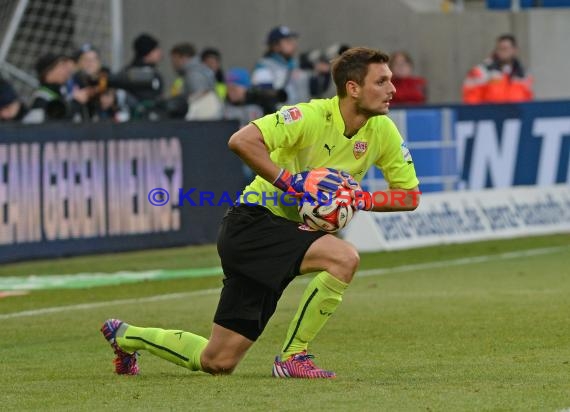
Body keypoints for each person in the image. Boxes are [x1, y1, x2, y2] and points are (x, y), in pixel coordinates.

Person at [101, 47, 420, 379]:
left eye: (391, 81)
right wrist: (291, 184)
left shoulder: (382, 131)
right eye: (381, 81)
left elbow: (409, 196)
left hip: (290, 233)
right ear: (353, 88)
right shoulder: (310, 116)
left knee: (218, 360)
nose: (392, 89)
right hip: (253, 223)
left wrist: (361, 198)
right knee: (343, 258)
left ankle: (126, 336)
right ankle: (293, 357)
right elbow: (242, 140)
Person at [462, 34, 533, 104]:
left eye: (505, 49)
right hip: (489, 114)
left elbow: (527, 99)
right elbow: (471, 99)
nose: (502, 52)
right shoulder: (481, 71)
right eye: (499, 48)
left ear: (514, 50)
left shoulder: (523, 73)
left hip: (515, 114)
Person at [23, 53, 91, 123]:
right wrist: (76, 102)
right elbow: (56, 125)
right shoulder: (41, 99)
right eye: (62, 66)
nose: (67, 70)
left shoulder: (62, 92)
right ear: (48, 72)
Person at [169, 42, 222, 120]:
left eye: (175, 59)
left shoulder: (194, 74)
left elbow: (200, 96)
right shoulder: (200, 69)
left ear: (183, 58)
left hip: (203, 119)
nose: (173, 63)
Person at [119, 33, 164, 119]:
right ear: (147, 52)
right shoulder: (130, 73)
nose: (160, 54)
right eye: (156, 50)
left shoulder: (126, 71)